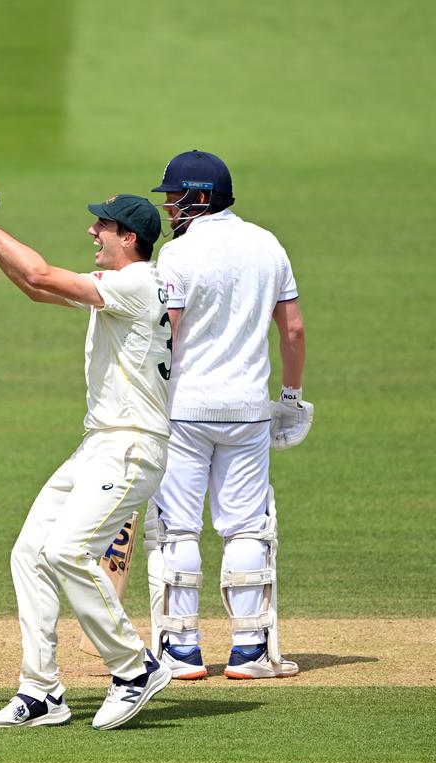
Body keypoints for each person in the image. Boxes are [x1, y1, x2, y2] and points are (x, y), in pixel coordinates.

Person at [0, 173, 173, 731]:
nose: (92, 230)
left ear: (129, 237)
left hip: (131, 445)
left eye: (101, 225)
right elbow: (35, 288)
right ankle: (41, 692)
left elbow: (38, 272)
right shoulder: (119, 288)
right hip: (99, 444)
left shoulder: (136, 284)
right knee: (29, 552)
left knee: (66, 551)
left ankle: (134, 667)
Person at [143, 149, 308, 680]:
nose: (168, 206)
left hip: (186, 409)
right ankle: (250, 649)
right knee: (245, 530)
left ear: (198, 197)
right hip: (248, 411)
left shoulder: (178, 255)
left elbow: (163, 331)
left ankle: (181, 651)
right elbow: (294, 331)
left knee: (178, 532)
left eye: (173, 196)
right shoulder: (269, 244)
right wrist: (290, 398)